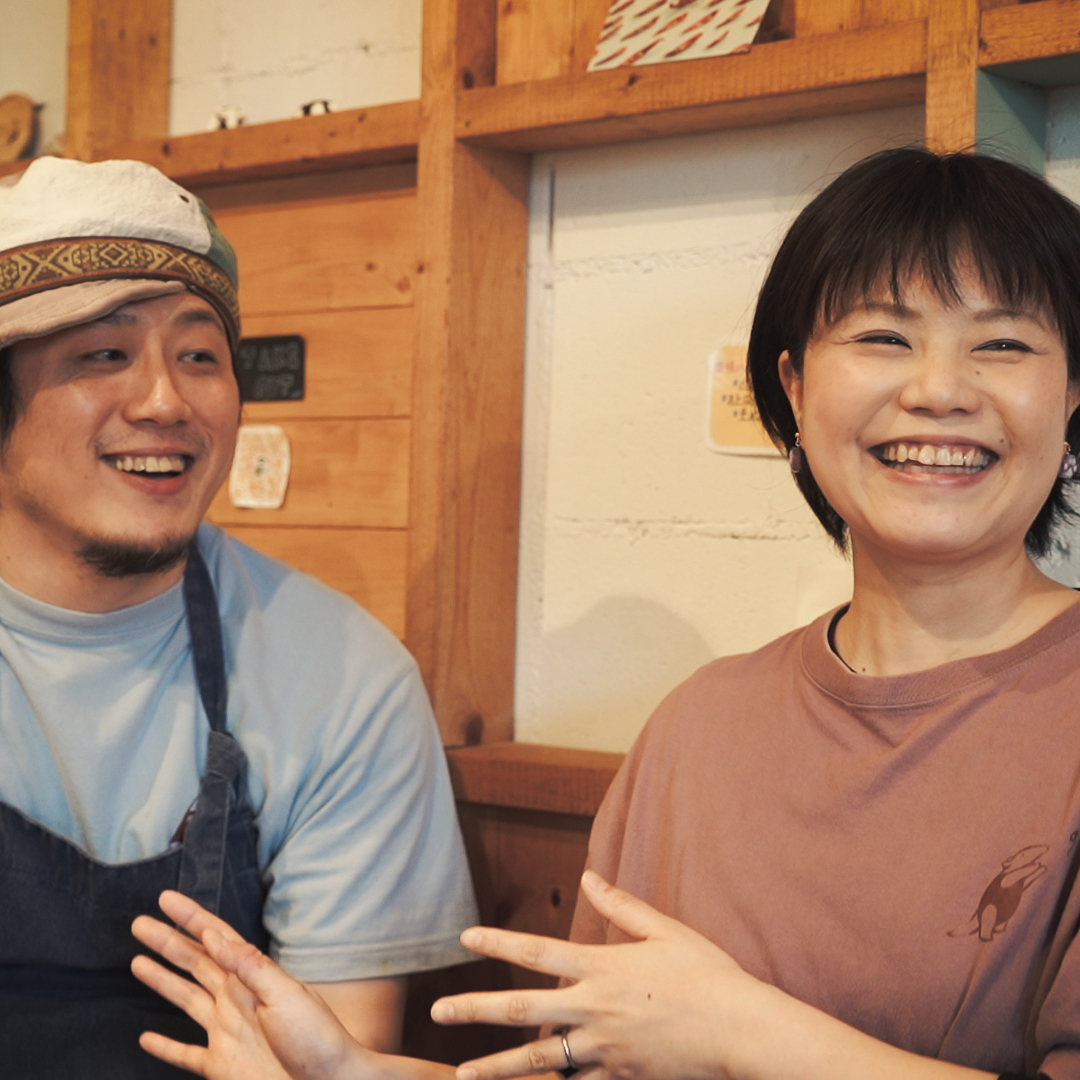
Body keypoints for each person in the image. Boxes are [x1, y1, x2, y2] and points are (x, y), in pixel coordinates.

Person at [132, 146, 1080, 1080]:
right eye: (884, 338)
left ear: (1073, 396)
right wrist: (357, 1078)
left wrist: (744, 1032)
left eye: (1003, 344)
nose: (939, 391)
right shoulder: (700, 730)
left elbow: (704, 1032)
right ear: (794, 389)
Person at [0, 156, 477, 1078]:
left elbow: (337, 1058)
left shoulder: (343, 677)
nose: (164, 401)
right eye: (103, 354)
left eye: (199, 356)